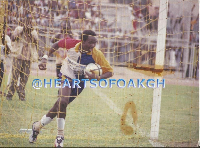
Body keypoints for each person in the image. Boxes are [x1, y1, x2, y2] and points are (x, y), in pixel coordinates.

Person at [29, 30, 113, 147]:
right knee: (63, 102)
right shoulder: (72, 44)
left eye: (95, 43)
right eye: (90, 42)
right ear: (83, 41)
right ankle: (60, 136)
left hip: (80, 83)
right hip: (66, 76)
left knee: (59, 105)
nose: (93, 45)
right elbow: (55, 45)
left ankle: (37, 126)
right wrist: (44, 58)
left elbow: (110, 72)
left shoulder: (96, 54)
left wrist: (97, 76)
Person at [6, 18, 39, 101]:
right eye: (27, 23)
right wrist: (23, 30)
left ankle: (21, 96)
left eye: (30, 23)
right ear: (23, 23)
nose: (28, 25)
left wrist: (30, 33)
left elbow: (36, 43)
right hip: (18, 57)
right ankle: (9, 95)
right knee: (14, 77)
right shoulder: (18, 29)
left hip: (28, 59)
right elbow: (13, 38)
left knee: (25, 78)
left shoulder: (34, 32)